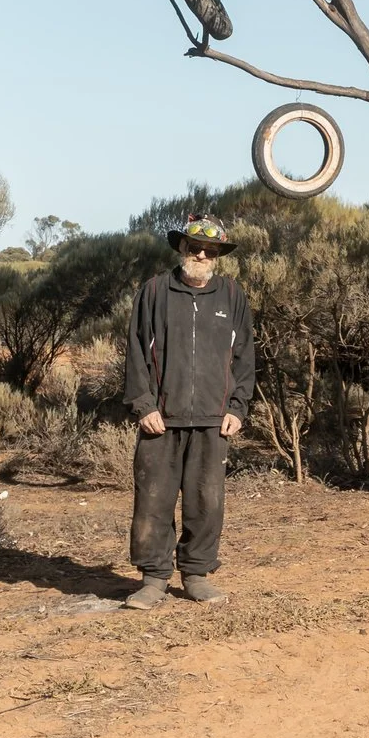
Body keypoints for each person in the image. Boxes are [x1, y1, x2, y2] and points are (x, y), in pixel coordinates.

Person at [120, 216, 255, 608]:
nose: (201, 254)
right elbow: (135, 350)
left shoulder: (231, 295)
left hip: (214, 420)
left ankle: (196, 574)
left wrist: (237, 407)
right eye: (194, 247)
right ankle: (153, 578)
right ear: (181, 248)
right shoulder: (155, 291)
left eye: (209, 250)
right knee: (152, 501)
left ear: (217, 256)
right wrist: (143, 405)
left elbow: (245, 356)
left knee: (207, 502)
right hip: (160, 419)